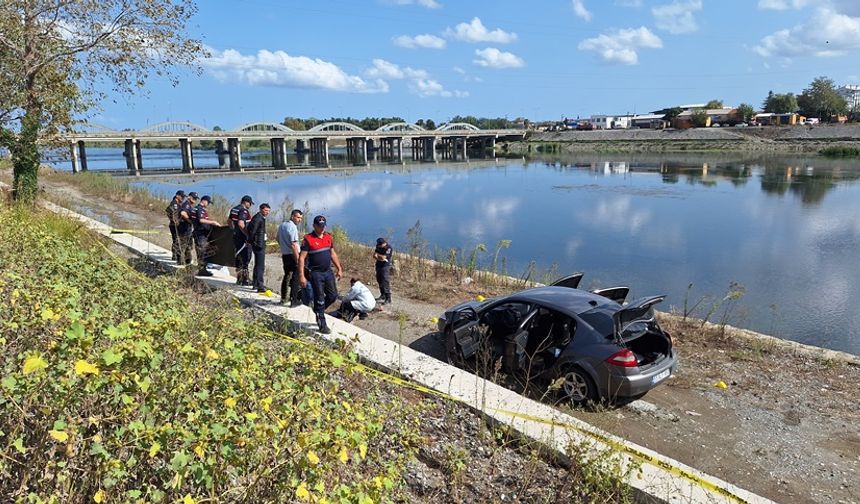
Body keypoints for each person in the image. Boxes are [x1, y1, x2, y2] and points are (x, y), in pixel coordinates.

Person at [298, 215, 343, 334]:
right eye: (319, 226)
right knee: (320, 298)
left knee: (333, 296)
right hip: (315, 273)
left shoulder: (328, 237)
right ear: (314, 226)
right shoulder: (308, 239)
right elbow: (301, 258)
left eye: (323, 226)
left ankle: (318, 309)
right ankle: (322, 323)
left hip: (328, 271)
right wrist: (301, 276)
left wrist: (339, 268)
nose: (322, 228)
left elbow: (332, 253)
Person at [277, 209, 303, 307]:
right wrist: (297, 259)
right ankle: (294, 300)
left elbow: (277, 238)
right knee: (296, 277)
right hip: (292, 254)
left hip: (285, 255)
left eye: (301, 218)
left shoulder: (282, 225)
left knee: (287, 275)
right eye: (298, 217)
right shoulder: (293, 227)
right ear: (292, 216)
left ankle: (284, 298)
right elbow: (293, 245)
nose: (299, 220)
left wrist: (284, 247)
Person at [193, 195, 222, 277]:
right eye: (208, 202)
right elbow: (201, 220)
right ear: (204, 201)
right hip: (200, 234)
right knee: (202, 251)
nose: (208, 204)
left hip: (201, 233)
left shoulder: (198, 209)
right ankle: (202, 270)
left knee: (203, 251)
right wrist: (213, 222)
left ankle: (202, 269)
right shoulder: (199, 209)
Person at [229, 195, 254, 286]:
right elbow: (240, 223)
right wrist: (248, 234)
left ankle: (239, 278)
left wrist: (233, 230)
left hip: (236, 237)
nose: (250, 205)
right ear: (246, 202)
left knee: (238, 257)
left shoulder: (234, 209)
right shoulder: (243, 211)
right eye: (250, 203)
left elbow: (229, 221)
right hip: (243, 239)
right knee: (245, 258)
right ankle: (245, 280)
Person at [247, 203, 271, 293]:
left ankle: (255, 284)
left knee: (258, 265)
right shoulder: (258, 218)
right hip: (258, 244)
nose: (267, 212)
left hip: (260, 243)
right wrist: (251, 241)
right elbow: (252, 231)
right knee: (260, 266)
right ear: (261, 209)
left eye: (268, 211)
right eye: (265, 210)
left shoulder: (260, 218)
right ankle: (260, 286)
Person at [177, 192, 197, 265]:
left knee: (187, 245)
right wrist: (189, 220)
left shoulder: (189, 205)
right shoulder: (187, 205)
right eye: (193, 198)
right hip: (184, 228)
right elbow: (183, 213)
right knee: (184, 245)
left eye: (195, 199)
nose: (195, 200)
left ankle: (186, 261)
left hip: (186, 228)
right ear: (189, 197)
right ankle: (182, 261)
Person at [165, 190, 185, 261]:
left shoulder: (178, 203)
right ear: (177, 196)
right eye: (182, 196)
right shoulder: (174, 204)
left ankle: (175, 255)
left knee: (177, 240)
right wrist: (173, 220)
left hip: (177, 225)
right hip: (174, 225)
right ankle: (175, 255)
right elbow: (168, 210)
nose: (183, 198)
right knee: (176, 240)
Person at [373, 237, 393, 305]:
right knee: (379, 280)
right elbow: (374, 255)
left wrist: (378, 256)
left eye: (381, 244)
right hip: (378, 265)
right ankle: (382, 295)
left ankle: (388, 298)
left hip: (385, 266)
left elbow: (383, 258)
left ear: (384, 243)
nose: (379, 246)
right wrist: (379, 257)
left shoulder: (388, 248)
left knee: (385, 281)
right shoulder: (378, 246)